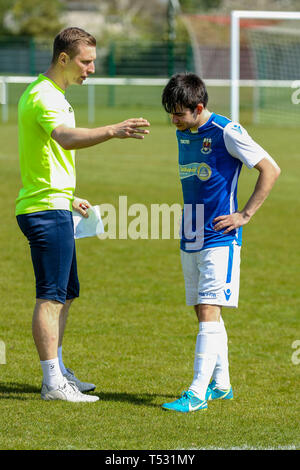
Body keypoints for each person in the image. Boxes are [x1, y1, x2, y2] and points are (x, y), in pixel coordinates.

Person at [16, 27, 150, 402]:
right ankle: (52, 383)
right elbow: (66, 138)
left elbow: (45, 155)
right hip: (44, 211)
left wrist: (70, 197)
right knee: (50, 296)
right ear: (63, 58)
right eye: (85, 61)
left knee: (66, 293)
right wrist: (113, 129)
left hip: (57, 203)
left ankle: (58, 371)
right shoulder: (45, 96)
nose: (91, 69)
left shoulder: (53, 94)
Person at [161, 73, 280, 413]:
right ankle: (222, 385)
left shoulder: (228, 131)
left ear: (199, 108)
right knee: (203, 309)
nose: (174, 120)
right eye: (170, 113)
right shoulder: (185, 131)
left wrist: (244, 215)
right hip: (191, 233)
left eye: (179, 114)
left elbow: (270, 169)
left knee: (210, 309)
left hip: (220, 238)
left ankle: (197, 393)